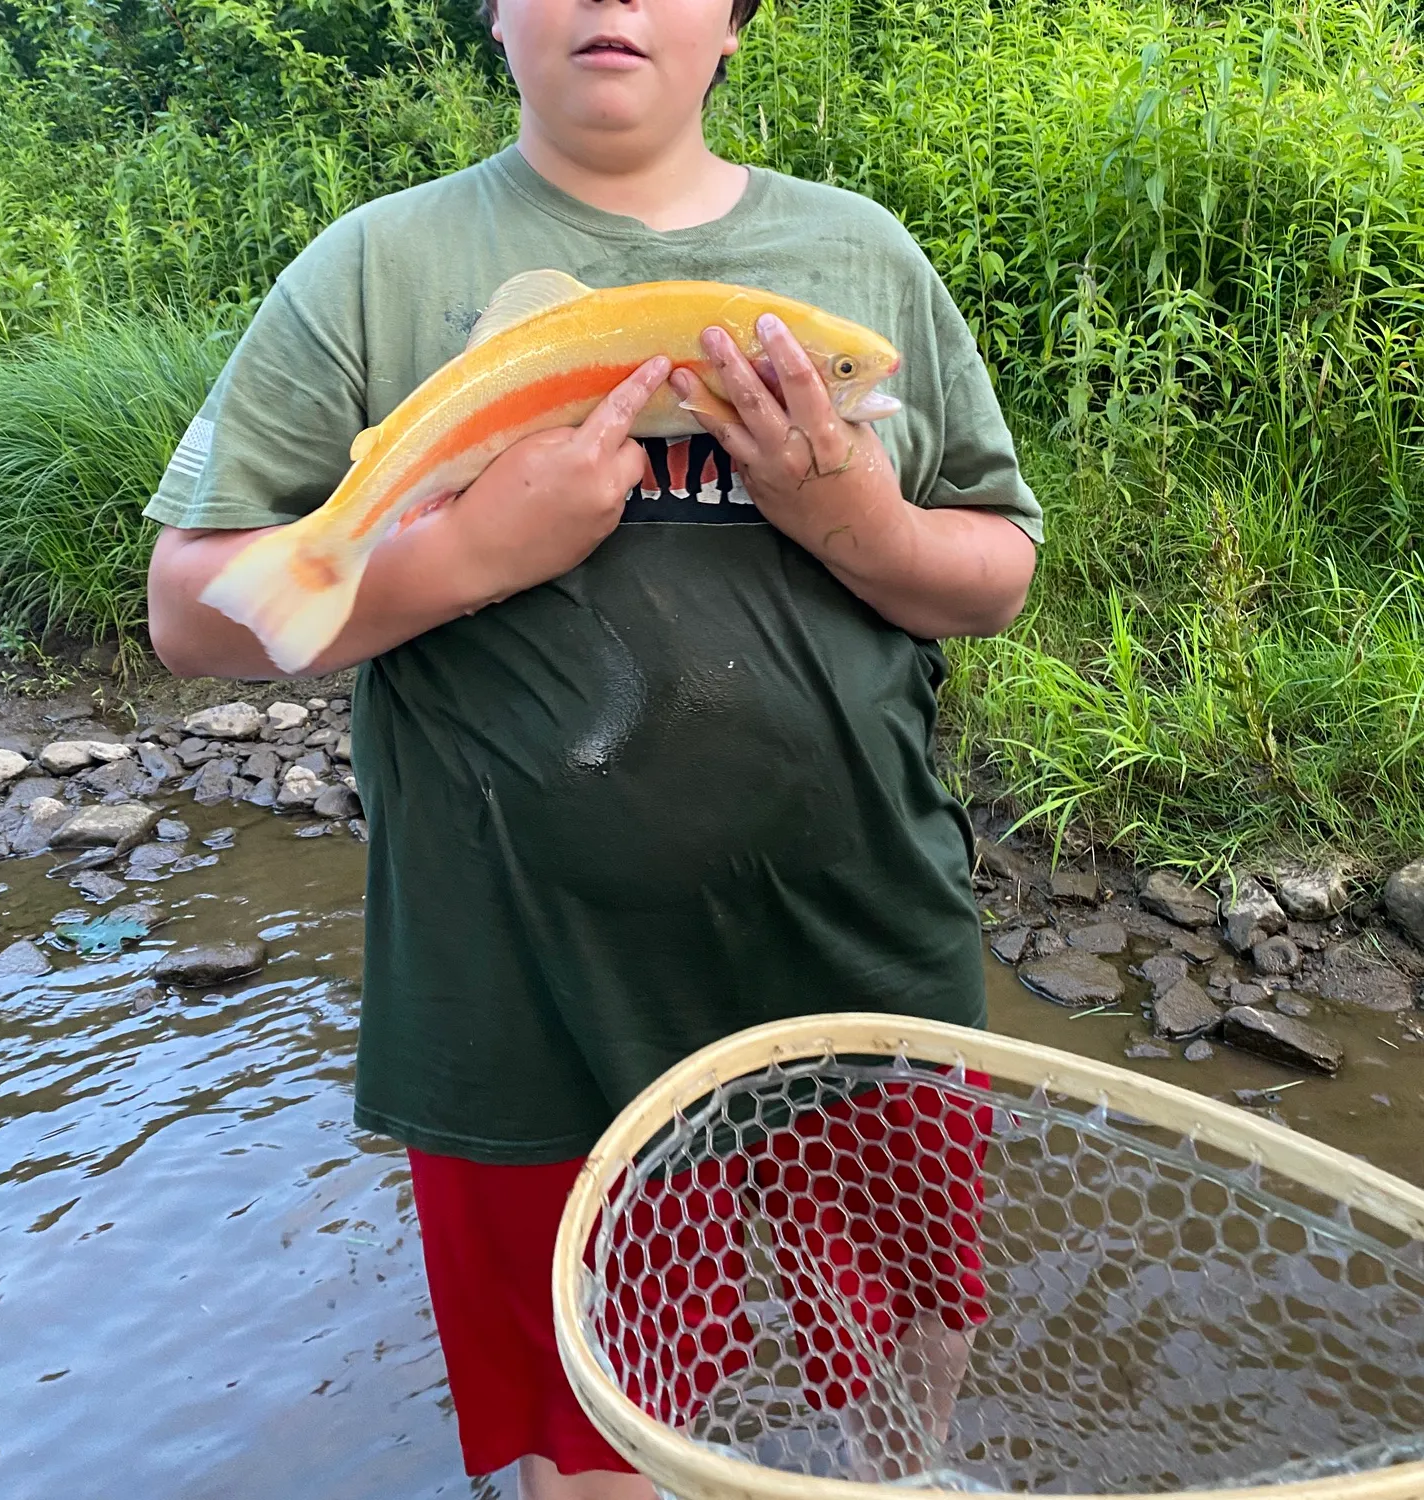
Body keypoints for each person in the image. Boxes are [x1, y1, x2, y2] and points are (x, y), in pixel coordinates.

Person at [144, 1, 1042, 1496]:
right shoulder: (375, 271)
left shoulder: (859, 258)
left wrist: (858, 523)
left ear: (737, 23)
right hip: (521, 988)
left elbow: (994, 569)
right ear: (491, 11)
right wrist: (470, 553)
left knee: (902, 1345)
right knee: (598, 1414)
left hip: (862, 943)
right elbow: (193, 615)